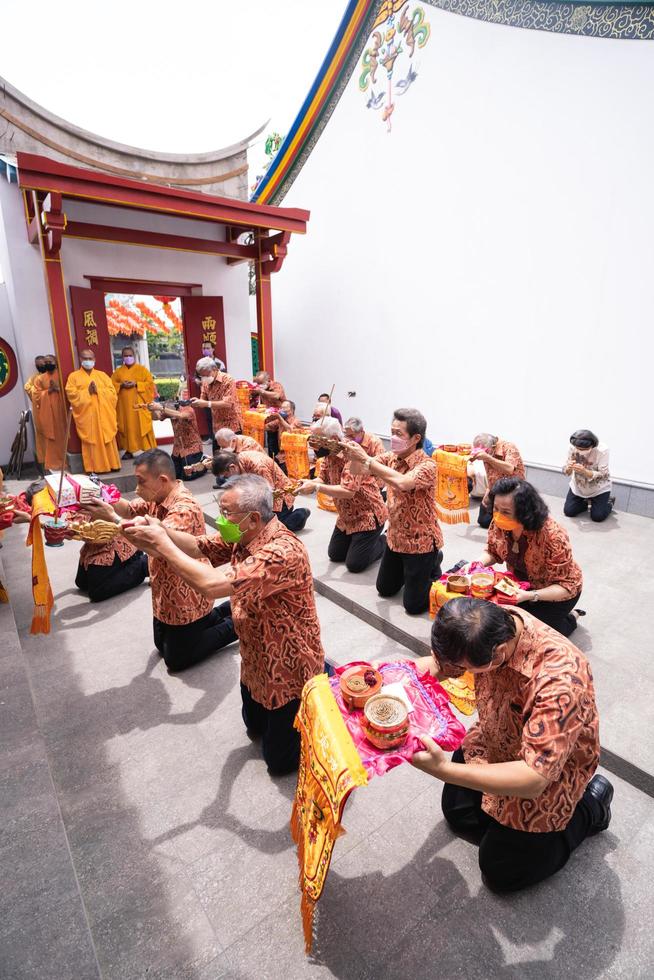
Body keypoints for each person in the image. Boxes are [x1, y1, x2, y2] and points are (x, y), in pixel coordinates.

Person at [124, 474, 324, 775]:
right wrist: (161, 530)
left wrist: (162, 547)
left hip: (289, 666)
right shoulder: (242, 535)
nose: (220, 520)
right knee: (254, 727)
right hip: (256, 657)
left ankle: (322, 694)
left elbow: (211, 584)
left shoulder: (283, 552)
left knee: (279, 764)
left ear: (254, 518)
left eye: (226, 512)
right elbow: (196, 546)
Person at [411, 598, 612, 893]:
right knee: (457, 812)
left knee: (501, 872)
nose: (452, 671)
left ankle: (590, 807)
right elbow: (440, 665)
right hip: (495, 736)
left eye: (462, 667)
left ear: (498, 654)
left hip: (547, 771)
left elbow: (533, 778)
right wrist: (387, 681)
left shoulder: (560, 680)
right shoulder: (491, 624)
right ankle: (511, 829)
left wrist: (443, 770)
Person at [84, 449, 236, 671]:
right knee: (161, 646)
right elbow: (128, 508)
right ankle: (221, 612)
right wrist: (101, 498)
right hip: (165, 594)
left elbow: (155, 545)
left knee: (176, 659)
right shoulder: (157, 496)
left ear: (162, 480)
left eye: (141, 482)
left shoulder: (184, 508)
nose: (137, 489)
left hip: (187, 594)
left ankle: (236, 624)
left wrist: (112, 517)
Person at [343, 407, 443, 615]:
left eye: (399, 434)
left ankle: (433, 563)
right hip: (396, 537)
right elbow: (357, 470)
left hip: (420, 542)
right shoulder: (390, 458)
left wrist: (366, 459)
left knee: (413, 606)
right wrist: (352, 454)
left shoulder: (428, 465)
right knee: (385, 590)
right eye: (392, 431)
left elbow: (403, 482)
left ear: (416, 438)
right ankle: (416, 572)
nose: (393, 437)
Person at [478, 476, 584, 636]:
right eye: (496, 509)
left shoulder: (552, 535)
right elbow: (492, 551)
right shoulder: (500, 523)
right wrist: (477, 564)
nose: (498, 516)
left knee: (532, 633)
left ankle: (570, 618)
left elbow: (565, 586)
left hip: (555, 593)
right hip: (521, 586)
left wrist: (531, 595)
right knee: (499, 621)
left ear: (525, 512)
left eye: (506, 512)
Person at [300, 418, 387, 573]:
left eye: (316, 439)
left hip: (367, 516)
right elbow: (323, 477)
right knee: (335, 554)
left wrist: (317, 487)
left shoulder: (352, 452)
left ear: (332, 439)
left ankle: (385, 541)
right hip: (346, 516)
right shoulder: (328, 453)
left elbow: (348, 491)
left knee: (354, 564)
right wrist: (309, 483)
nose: (313, 444)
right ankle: (358, 541)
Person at [212, 450, 310, 534]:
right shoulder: (239, 460)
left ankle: (300, 514)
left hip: (279, 497)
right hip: (261, 491)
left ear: (232, 467)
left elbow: (267, 495)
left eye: (226, 476)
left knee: (268, 530)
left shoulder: (259, 467)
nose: (227, 479)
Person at [65, 349, 120, 473]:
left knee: (107, 438)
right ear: (80, 359)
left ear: (94, 359)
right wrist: (87, 392)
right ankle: (94, 468)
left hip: (104, 415)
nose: (88, 361)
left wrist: (99, 391)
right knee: (92, 440)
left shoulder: (102, 375)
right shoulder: (73, 377)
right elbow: (71, 395)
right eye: (85, 358)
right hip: (88, 417)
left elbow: (113, 394)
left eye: (90, 358)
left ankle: (113, 465)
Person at [470, 433, 525, 529]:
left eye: (486, 451)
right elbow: (490, 475)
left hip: (513, 489)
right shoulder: (487, 452)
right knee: (483, 521)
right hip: (495, 488)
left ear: (493, 446)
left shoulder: (509, 447)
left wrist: (488, 458)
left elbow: (509, 469)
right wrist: (488, 493)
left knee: (506, 524)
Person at [111, 346, 156, 459]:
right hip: (124, 408)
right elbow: (111, 386)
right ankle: (129, 450)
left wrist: (137, 384)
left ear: (134, 356)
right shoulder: (118, 372)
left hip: (140, 406)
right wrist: (121, 385)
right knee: (127, 427)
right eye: (125, 356)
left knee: (143, 426)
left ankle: (147, 449)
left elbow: (150, 384)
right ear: (122, 357)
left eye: (130, 355)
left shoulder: (142, 370)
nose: (128, 357)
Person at [75, 536, 149, 603]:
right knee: (82, 584)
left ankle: (144, 564)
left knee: (97, 592)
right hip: (92, 546)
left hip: (111, 543)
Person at [563, 429, 613, 523]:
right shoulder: (572, 447)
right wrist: (568, 468)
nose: (580, 451)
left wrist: (585, 472)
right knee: (569, 512)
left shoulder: (602, 450)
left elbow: (604, 475)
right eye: (578, 448)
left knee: (597, 517)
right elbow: (566, 472)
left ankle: (609, 502)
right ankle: (587, 502)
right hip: (579, 486)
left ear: (592, 446)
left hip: (599, 488)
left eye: (584, 449)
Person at [148, 400, 204, 481]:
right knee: (173, 475)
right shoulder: (169, 411)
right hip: (177, 449)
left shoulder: (188, 410)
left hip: (192, 448)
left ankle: (204, 464)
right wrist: (152, 409)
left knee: (188, 475)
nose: (166, 408)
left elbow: (180, 415)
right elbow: (156, 417)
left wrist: (160, 407)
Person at [31, 354, 67, 471]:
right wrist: (48, 392)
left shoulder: (62, 374)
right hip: (48, 412)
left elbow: (69, 389)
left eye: (49, 361)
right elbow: (35, 395)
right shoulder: (40, 379)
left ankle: (66, 460)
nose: (47, 364)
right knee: (52, 437)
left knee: (64, 433)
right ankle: (54, 462)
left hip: (62, 409)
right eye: (45, 362)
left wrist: (59, 389)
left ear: (56, 362)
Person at [191, 357, 242, 437]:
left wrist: (206, 404)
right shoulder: (205, 382)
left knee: (231, 448)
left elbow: (227, 404)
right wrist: (196, 402)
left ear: (214, 369)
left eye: (206, 375)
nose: (204, 377)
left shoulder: (228, 380)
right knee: (216, 449)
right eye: (202, 376)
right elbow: (203, 399)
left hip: (232, 425)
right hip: (217, 427)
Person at [24, 355, 47, 464]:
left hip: (54, 409)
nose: (40, 366)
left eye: (42, 364)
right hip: (40, 410)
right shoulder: (35, 378)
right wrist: (38, 391)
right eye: (37, 365)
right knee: (43, 433)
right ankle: (45, 458)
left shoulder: (53, 375)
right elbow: (28, 387)